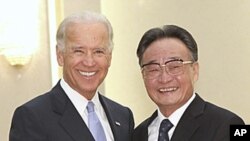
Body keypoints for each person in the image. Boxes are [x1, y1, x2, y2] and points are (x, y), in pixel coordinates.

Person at [9, 11, 134, 141]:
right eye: (79, 51)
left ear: (109, 57)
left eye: (98, 51)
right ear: (60, 56)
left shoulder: (123, 116)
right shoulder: (32, 118)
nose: (89, 62)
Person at [132, 25, 244, 141]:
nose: (164, 79)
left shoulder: (228, 125)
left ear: (194, 70)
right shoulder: (138, 134)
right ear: (143, 75)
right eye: (154, 69)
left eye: (175, 66)